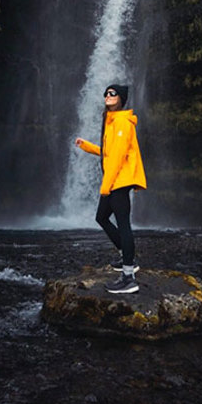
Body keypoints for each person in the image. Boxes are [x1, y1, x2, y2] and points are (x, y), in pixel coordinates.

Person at [73, 83, 147, 295]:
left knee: (123, 224)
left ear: (121, 99)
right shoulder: (112, 121)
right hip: (114, 181)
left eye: (113, 93)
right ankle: (127, 257)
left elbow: (116, 157)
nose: (107, 95)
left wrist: (105, 186)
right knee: (101, 217)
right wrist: (87, 146)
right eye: (106, 92)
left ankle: (128, 277)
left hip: (119, 182)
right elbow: (108, 152)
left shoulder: (122, 121)